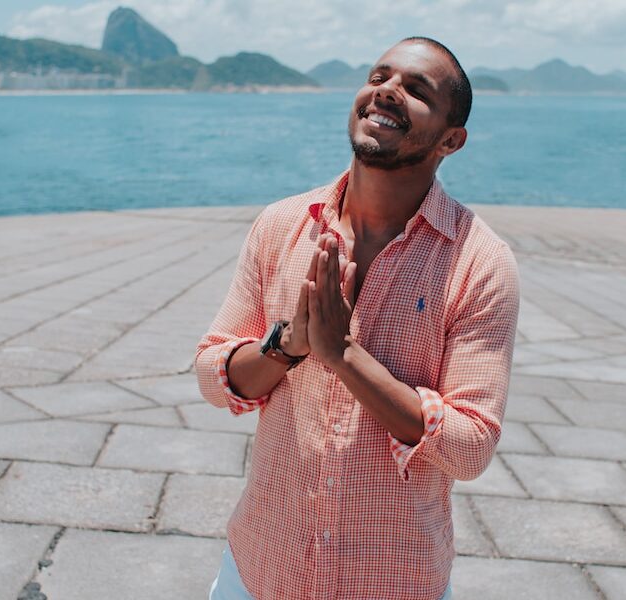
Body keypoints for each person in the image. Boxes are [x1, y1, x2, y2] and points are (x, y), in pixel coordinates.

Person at [196, 36, 520, 600]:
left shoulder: (479, 262)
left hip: (393, 580)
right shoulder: (282, 226)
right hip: (260, 567)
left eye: (416, 90)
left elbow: (469, 447)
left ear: (452, 139)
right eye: (379, 77)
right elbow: (212, 373)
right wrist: (286, 345)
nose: (387, 92)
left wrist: (344, 357)